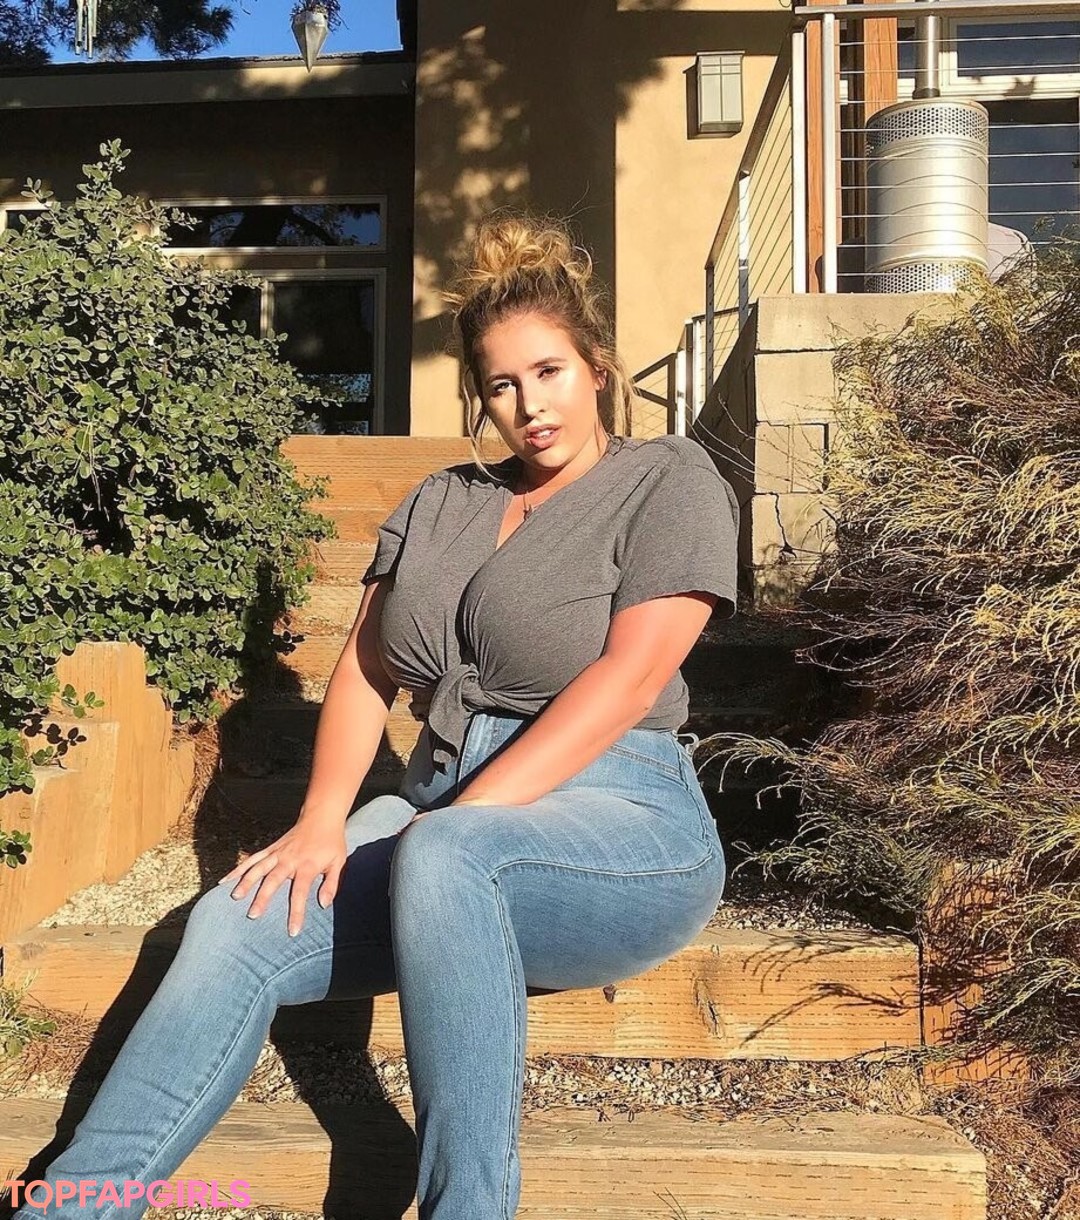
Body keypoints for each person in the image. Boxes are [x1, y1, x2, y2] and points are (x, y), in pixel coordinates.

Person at [13, 215, 739, 1220]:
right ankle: (73, 1205)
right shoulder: (441, 501)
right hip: (439, 803)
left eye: (550, 372)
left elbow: (629, 676)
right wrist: (322, 821)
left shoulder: (666, 478)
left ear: (598, 369)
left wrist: (450, 828)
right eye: (502, 384)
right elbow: (364, 666)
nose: (530, 405)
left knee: (448, 852)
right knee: (236, 920)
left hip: (619, 815)